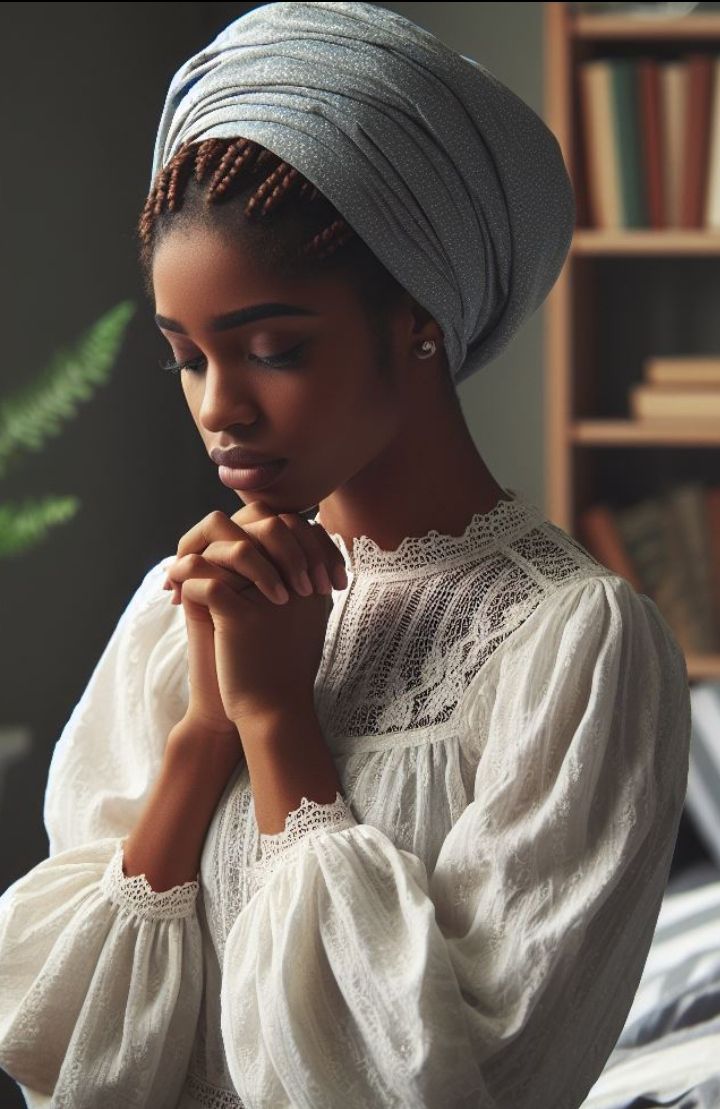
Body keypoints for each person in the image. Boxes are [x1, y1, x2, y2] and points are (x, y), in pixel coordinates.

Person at [0, 3, 691, 1108]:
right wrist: (206, 727)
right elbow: (58, 1040)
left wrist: (278, 727)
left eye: (275, 347)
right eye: (186, 358)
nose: (220, 407)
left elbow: (456, 1078)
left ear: (418, 319)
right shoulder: (188, 601)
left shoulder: (577, 646)